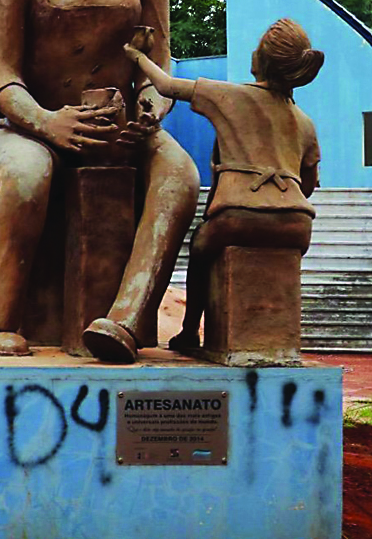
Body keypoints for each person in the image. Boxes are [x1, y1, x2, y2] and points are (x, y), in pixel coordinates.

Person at [0, 0, 199, 362]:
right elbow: (1, 81)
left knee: (181, 176)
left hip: (119, 128)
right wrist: (49, 123)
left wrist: (153, 101)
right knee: (31, 174)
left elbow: (156, 65)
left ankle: (123, 320)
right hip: (25, 130)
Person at [125, 18, 323, 352]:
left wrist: (135, 56)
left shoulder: (230, 95)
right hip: (297, 224)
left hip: (238, 215)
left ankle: (189, 332)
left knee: (200, 249)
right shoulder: (304, 121)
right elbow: (309, 183)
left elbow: (166, 85)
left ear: (261, 59)